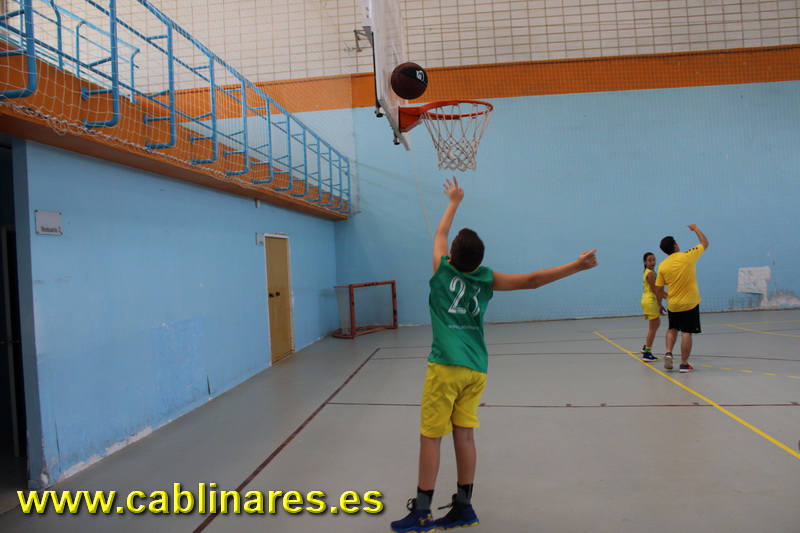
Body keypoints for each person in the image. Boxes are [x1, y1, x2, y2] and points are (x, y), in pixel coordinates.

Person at [390, 177, 598, 533]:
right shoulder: (486, 278)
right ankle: (464, 507)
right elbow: (533, 280)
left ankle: (422, 512)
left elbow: (440, 233)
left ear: (452, 255)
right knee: (465, 435)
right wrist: (576, 266)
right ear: (478, 261)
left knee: (431, 436)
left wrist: (454, 201)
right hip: (477, 368)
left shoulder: (442, 269)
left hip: (446, 367)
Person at [654, 225, 709, 373]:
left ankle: (668, 352)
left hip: (673, 304)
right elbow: (705, 243)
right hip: (690, 303)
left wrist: (659, 304)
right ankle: (684, 364)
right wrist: (696, 229)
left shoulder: (662, 266)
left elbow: (658, 289)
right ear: (675, 246)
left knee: (672, 329)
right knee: (686, 332)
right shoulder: (687, 256)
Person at [640, 252, 666, 361]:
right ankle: (647, 353)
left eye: (654, 259)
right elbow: (656, 290)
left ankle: (646, 346)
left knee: (657, 323)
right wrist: (662, 303)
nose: (652, 262)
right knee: (653, 327)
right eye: (650, 260)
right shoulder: (650, 273)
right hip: (650, 301)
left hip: (648, 300)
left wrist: (666, 296)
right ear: (645, 262)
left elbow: (658, 290)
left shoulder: (650, 272)